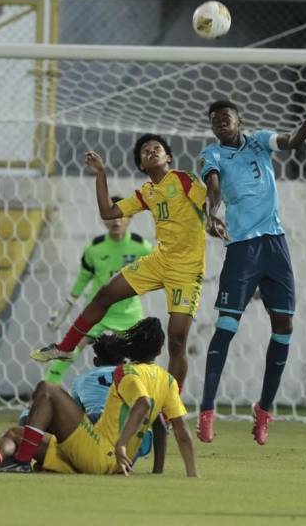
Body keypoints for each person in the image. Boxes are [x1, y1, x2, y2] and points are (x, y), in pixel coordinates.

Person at [196, 96, 306, 446]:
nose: (220, 122)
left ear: (239, 120)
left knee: (284, 325)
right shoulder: (211, 154)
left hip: (275, 244)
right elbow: (213, 187)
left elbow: (291, 142)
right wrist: (212, 214)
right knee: (227, 326)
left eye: (225, 116)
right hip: (242, 247)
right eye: (214, 120)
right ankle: (207, 410)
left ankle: (264, 410)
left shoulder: (259, 141)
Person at [31, 134, 207, 389]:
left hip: (187, 271)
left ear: (168, 157)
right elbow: (108, 212)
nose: (151, 151)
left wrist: (214, 218)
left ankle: (171, 406)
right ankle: (66, 347)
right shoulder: (147, 192)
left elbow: (208, 201)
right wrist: (101, 174)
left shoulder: (183, 179)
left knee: (177, 342)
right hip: (159, 261)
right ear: (141, 165)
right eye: (145, 150)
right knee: (104, 294)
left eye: (157, 148)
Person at [0, 317, 197, 477]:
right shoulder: (168, 381)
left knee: (48, 390)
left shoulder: (126, 372)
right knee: (17, 434)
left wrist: (120, 445)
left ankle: (21, 462)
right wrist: (189, 475)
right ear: (159, 351)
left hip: (101, 451)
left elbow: (142, 403)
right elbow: (179, 431)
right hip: (99, 458)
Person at [42, 195, 152, 384]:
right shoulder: (94, 248)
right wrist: (64, 311)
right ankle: (47, 388)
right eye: (112, 216)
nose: (116, 221)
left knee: (144, 358)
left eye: (122, 215)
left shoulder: (142, 248)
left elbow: (153, 276)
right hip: (98, 310)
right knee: (70, 349)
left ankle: (152, 394)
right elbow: (82, 279)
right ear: (104, 219)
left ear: (130, 217)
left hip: (128, 313)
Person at [18, 331, 166, 471]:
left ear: (96, 361)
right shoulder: (135, 378)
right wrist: (157, 470)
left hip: (97, 426)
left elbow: (75, 418)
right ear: (124, 362)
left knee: (31, 415)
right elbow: (159, 424)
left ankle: (35, 457)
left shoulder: (81, 380)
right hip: (133, 438)